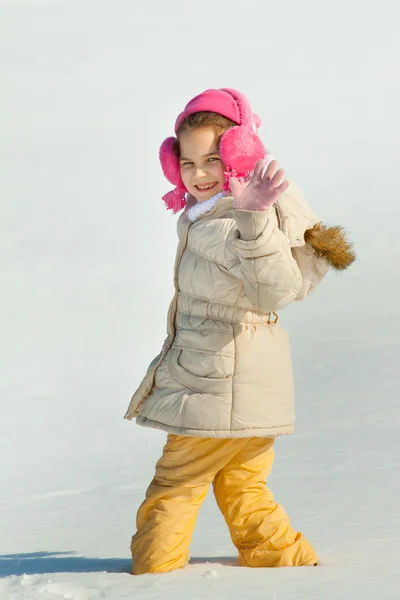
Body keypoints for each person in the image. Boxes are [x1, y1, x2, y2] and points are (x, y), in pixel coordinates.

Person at [124, 88, 355, 575]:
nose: (199, 174)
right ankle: (288, 564)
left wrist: (251, 217)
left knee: (176, 485)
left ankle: (152, 577)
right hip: (246, 383)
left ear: (238, 154)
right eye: (186, 162)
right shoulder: (213, 215)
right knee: (242, 485)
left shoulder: (238, 218)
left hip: (215, 384)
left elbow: (275, 290)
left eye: (212, 158)